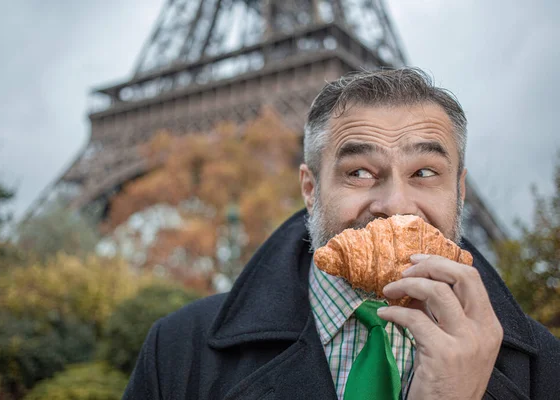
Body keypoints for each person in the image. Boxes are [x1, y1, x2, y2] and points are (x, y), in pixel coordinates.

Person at [122, 68, 560, 400]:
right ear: (311, 190)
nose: (395, 205)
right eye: (360, 172)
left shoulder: (547, 366)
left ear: (460, 191)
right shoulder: (177, 351)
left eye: (424, 172)